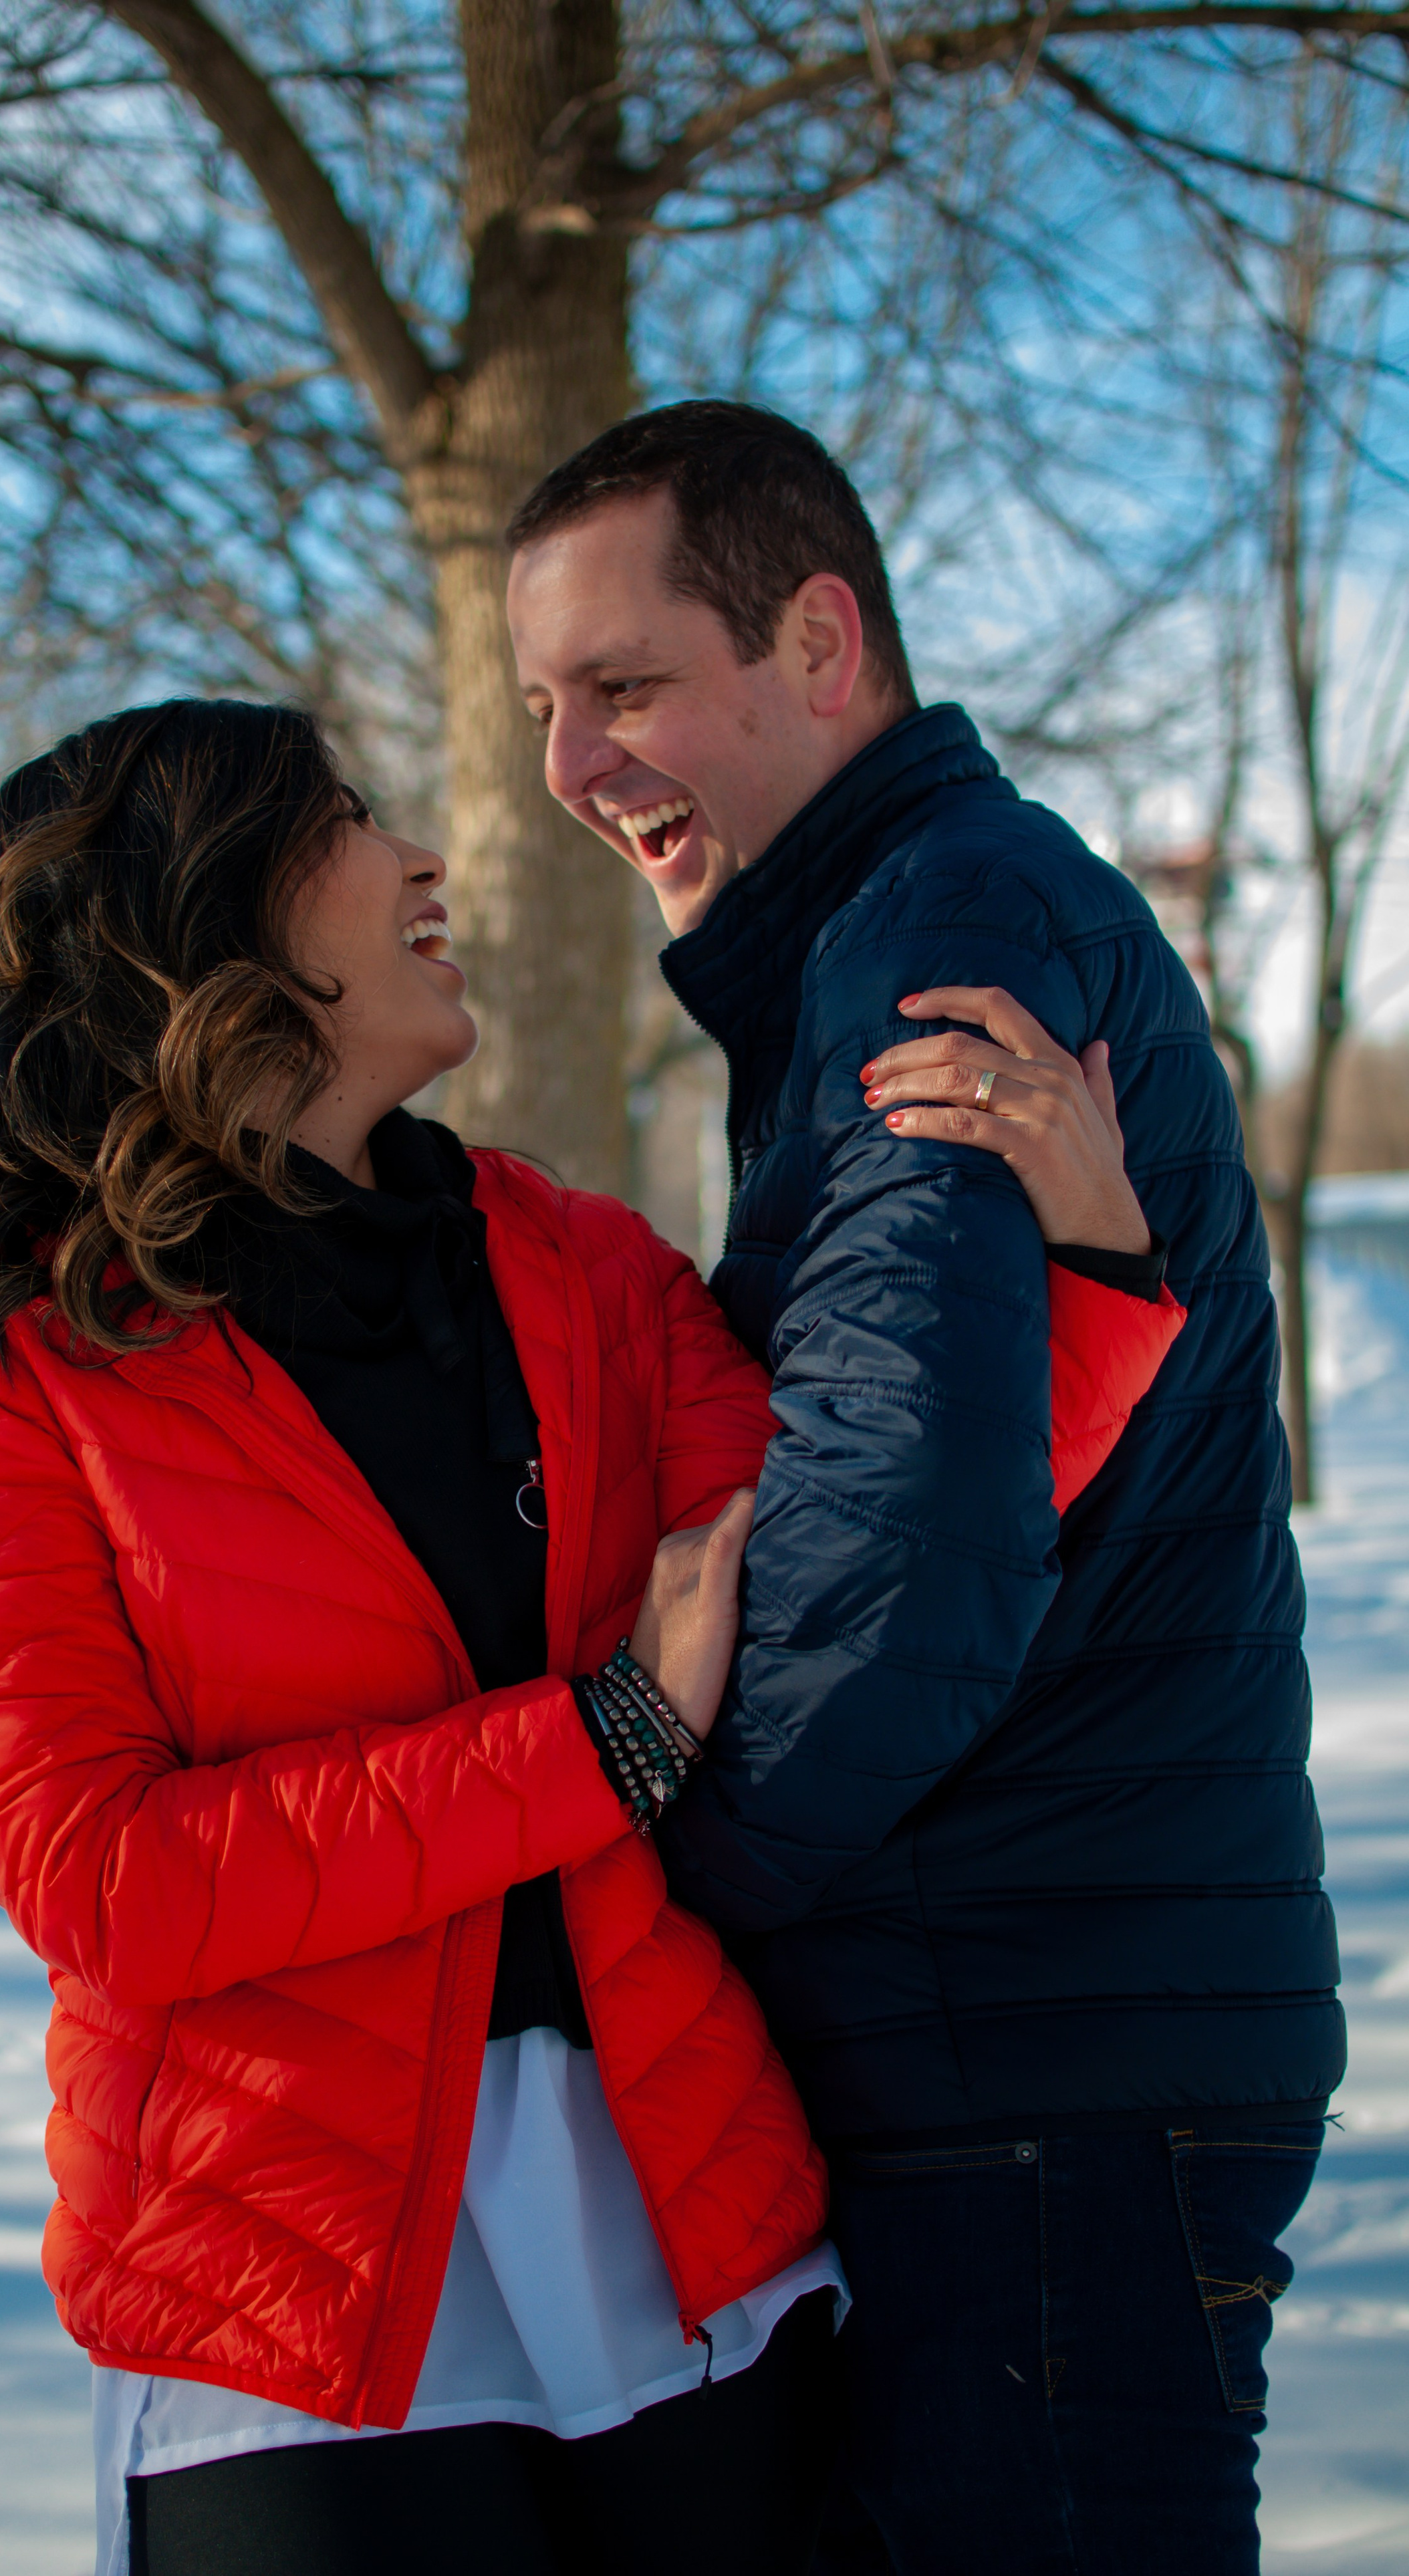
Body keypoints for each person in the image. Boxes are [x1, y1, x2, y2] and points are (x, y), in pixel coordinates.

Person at [0, 697, 1177, 2576]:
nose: (424, 858)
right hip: (279, 2292)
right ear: (206, 918)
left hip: (682, 2219)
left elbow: (843, 1579)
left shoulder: (581, 1269)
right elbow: (112, 1878)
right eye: (349, 820)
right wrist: (602, 1744)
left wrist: (1098, 1277)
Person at [505, 400, 1343, 2576]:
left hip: (1036, 2066)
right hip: (1039, 2041)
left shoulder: (934, 935)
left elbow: (896, 1572)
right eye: (539, 710)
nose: (571, 769)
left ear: (818, 639)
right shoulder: (874, 947)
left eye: (623, 687)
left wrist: (663, 1876)